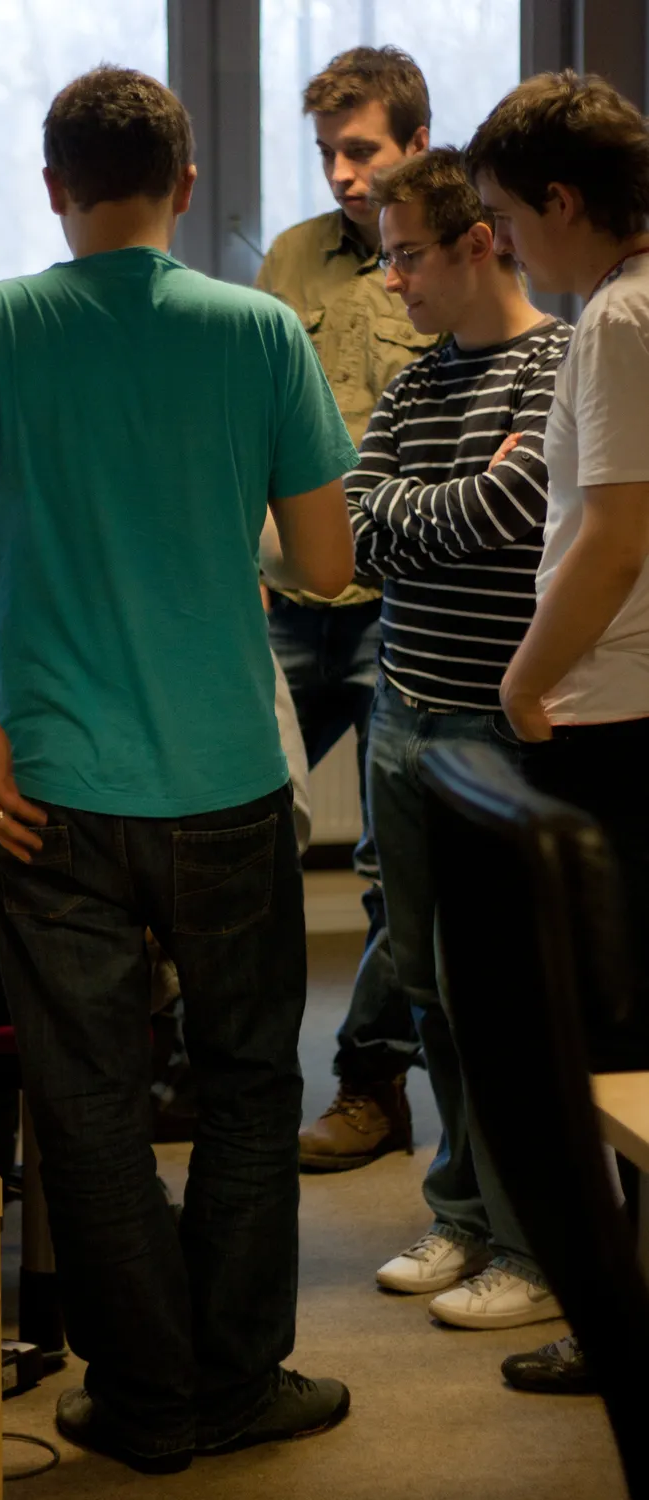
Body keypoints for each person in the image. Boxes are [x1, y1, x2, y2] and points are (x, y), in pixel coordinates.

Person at [0, 68, 358, 1474]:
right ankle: (234, 1382)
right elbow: (326, 563)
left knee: (87, 1104)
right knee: (249, 1085)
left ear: (52, 188)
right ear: (185, 187)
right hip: (225, 778)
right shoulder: (257, 329)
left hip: (48, 786)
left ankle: (147, 1401)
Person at [342, 148, 572, 1329]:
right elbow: (354, 530)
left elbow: (514, 505)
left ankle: (535, 1249)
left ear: (477, 243)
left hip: (496, 722)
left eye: (407, 257)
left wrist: (417, 514)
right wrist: (439, 508)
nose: (391, 281)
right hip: (402, 710)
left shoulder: (556, 364)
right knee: (427, 985)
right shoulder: (414, 383)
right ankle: (464, 1214)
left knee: (507, 1000)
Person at [467, 69, 649, 1393]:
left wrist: (523, 685)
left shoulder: (619, 320)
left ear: (563, 202)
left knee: (614, 1047)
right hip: (633, 702)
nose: (504, 248)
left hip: (610, 713)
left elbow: (613, 538)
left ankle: (625, 1328)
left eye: (507, 220)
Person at [258, 45, 438, 1173]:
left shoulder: (456, 255)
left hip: (400, 606)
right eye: (326, 150)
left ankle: (371, 1087)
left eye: (360, 149)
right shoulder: (290, 258)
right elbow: (250, 413)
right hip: (286, 597)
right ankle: (206, 1069)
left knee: (390, 868)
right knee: (237, 834)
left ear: (415, 142)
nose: (339, 172)